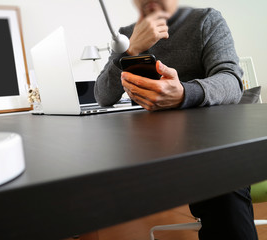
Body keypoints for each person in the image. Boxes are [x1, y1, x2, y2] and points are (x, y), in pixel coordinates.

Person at [94, 0, 258, 239]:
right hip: (150, 149)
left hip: (209, 145)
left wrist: (184, 93)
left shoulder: (206, 20)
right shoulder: (127, 35)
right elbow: (102, 96)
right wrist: (129, 51)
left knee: (221, 182)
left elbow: (232, 81)